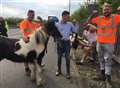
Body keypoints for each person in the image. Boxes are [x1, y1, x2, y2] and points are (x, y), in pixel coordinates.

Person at [91, 2, 120, 84]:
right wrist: (93, 14)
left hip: (109, 44)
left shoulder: (115, 17)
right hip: (99, 43)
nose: (106, 11)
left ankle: (108, 77)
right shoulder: (99, 18)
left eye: (107, 9)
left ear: (110, 10)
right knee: (101, 59)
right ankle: (102, 75)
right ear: (102, 11)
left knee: (108, 60)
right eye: (104, 10)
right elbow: (88, 21)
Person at [55, 11, 75, 79]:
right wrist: (57, 40)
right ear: (63, 16)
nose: (68, 17)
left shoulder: (70, 24)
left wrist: (72, 38)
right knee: (59, 57)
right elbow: (54, 34)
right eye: (67, 16)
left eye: (69, 16)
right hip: (60, 42)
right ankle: (59, 70)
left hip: (67, 43)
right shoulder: (57, 24)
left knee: (67, 58)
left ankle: (68, 73)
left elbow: (74, 32)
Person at [19, 10, 38, 75]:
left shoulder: (34, 23)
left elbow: (38, 30)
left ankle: (36, 65)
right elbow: (22, 31)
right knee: (25, 56)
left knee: (35, 55)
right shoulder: (24, 22)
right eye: (31, 15)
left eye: (33, 15)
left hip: (33, 42)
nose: (32, 16)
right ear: (27, 14)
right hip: (26, 41)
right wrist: (24, 37)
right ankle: (27, 68)